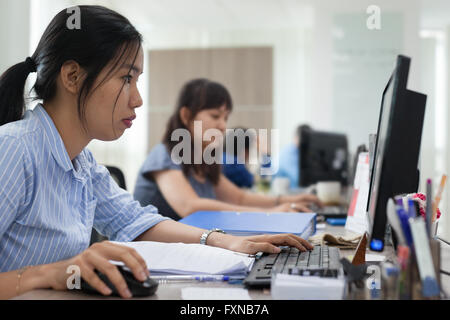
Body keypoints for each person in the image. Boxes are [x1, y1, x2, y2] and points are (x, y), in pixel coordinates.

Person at [0, 6, 313, 300]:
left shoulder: (83, 164)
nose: (137, 99)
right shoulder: (14, 150)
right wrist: (46, 274)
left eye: (137, 81)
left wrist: (226, 242)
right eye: (126, 78)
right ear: (72, 76)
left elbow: (135, 221)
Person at [133, 79, 322, 221]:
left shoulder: (203, 160)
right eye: (215, 116)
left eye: (226, 118)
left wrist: (288, 201)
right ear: (186, 115)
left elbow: (239, 198)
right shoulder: (164, 155)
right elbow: (189, 207)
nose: (223, 125)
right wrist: (270, 212)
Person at [275, 124, 311, 188]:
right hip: (284, 194)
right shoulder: (288, 154)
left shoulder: (302, 152)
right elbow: (300, 179)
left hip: (295, 193)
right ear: (296, 137)